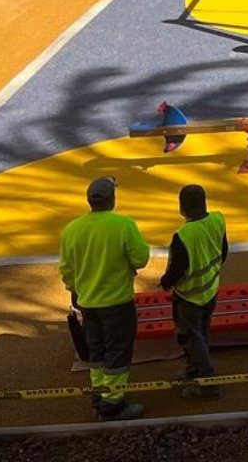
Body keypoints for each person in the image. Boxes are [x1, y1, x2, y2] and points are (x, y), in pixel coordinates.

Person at [59, 177, 149, 422]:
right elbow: (141, 259)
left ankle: (99, 395)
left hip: (88, 302)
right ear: (112, 199)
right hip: (117, 303)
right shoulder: (123, 225)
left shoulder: (71, 229)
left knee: (96, 352)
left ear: (89, 200)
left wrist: (74, 290)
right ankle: (113, 404)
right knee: (118, 352)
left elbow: (67, 269)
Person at [158, 185, 228, 399]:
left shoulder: (183, 236)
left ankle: (208, 384)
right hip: (210, 289)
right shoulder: (217, 220)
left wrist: (165, 282)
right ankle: (193, 369)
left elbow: (177, 269)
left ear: (182, 208)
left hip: (189, 297)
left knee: (193, 338)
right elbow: (224, 250)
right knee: (202, 332)